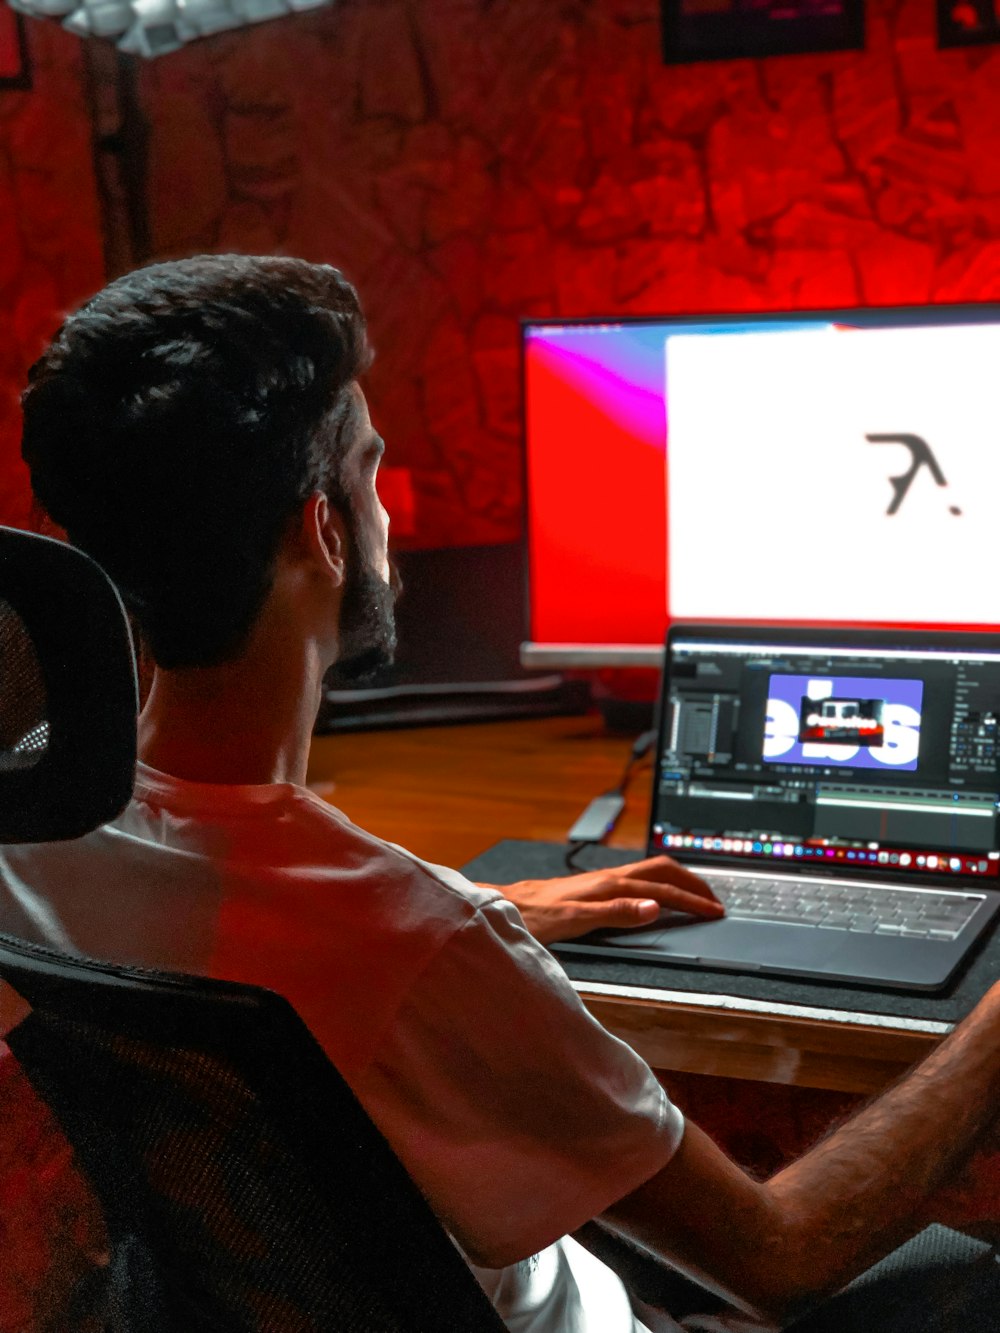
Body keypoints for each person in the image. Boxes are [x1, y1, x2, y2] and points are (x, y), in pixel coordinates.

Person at [3, 253, 1000, 1333]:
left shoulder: (33, 822)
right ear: (323, 530)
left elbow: (249, 917)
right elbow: (781, 1255)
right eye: (371, 471)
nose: (386, 515)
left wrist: (502, 909)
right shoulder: (419, 942)